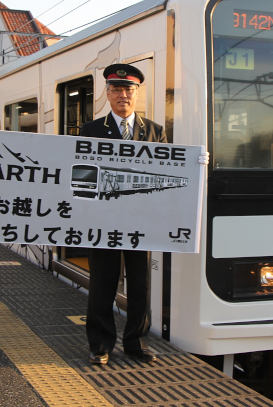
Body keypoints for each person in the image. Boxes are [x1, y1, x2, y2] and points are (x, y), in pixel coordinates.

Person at [81, 63, 207, 365]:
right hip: (104, 222)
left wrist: (197, 163)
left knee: (140, 285)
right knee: (102, 284)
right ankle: (100, 345)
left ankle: (136, 342)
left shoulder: (154, 131)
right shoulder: (91, 130)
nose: (123, 95)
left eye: (129, 89)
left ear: (137, 94)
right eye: (116, 89)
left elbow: (168, 172)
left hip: (142, 223)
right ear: (107, 95)